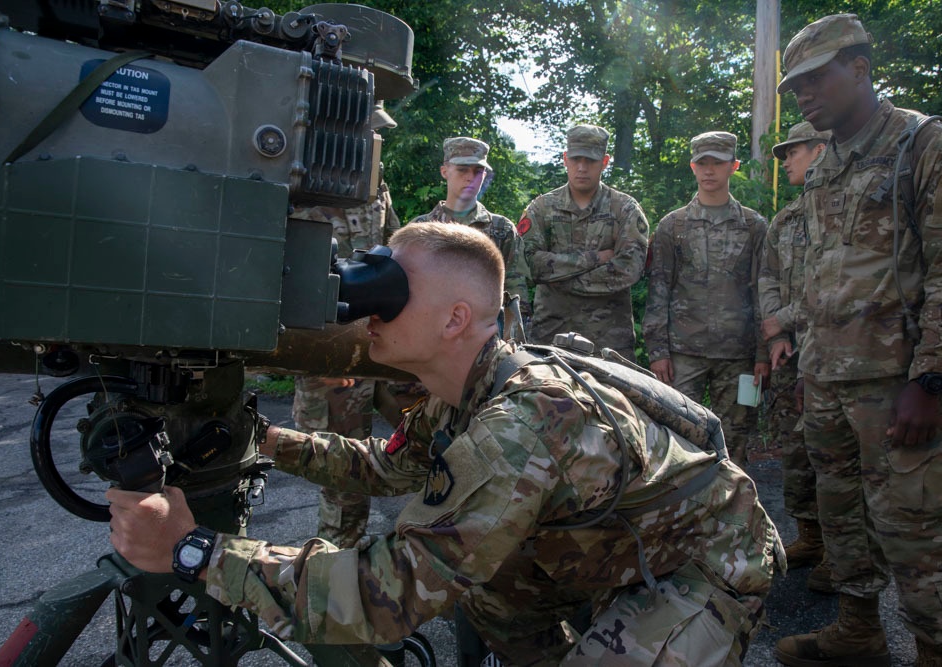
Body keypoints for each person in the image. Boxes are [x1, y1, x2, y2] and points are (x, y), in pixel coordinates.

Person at [108, 222, 781, 666]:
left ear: (455, 318)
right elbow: (386, 465)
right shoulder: (464, 387)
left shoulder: (520, 425)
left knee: (448, 570)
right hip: (610, 541)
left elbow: (385, 594)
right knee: (488, 586)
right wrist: (268, 438)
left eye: (390, 293)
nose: (371, 311)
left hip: (707, 564)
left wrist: (194, 551)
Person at [772, 14, 942, 666]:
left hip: (902, 388)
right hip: (831, 383)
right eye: (795, 87)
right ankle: (859, 630)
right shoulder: (828, 165)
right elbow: (820, 274)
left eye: (816, 79)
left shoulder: (926, 146)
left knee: (921, 535)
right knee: (843, 523)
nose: (805, 95)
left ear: (861, 69)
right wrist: (811, 355)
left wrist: (933, 380)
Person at [289, 103, 419, 547]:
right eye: (367, 132)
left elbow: (392, 253)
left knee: (431, 432)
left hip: (377, 343)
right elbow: (280, 277)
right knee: (341, 471)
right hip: (329, 353)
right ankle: (334, 567)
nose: (372, 142)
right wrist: (320, 353)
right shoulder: (298, 181)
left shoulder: (374, 183)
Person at [643, 131, 770, 469]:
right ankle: (682, 515)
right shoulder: (674, 225)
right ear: (692, 167)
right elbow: (659, 289)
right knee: (676, 438)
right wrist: (658, 351)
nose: (710, 170)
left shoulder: (754, 226)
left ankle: (735, 512)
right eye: (703, 163)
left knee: (737, 439)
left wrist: (762, 352)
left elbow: (763, 290)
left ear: (734, 166)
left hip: (740, 357)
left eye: (718, 163)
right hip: (684, 354)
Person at [757, 121, 833, 592]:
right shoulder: (785, 219)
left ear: (821, 149)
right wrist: (775, 334)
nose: (786, 161)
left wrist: (783, 319)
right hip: (791, 354)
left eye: (794, 152)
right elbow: (767, 277)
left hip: (836, 351)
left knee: (837, 457)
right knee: (797, 452)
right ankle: (811, 536)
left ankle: (848, 557)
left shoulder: (841, 211)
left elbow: (834, 284)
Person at [519, 124, 648, 359]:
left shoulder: (625, 209)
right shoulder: (542, 208)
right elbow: (530, 265)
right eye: (576, 159)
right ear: (565, 159)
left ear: (605, 162)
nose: (582, 168)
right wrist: (594, 259)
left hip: (610, 342)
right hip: (551, 336)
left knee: (612, 398)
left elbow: (629, 268)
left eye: (590, 161)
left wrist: (561, 279)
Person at [411, 136, 530, 320]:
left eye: (478, 171)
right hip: (430, 330)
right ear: (444, 171)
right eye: (462, 170)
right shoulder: (421, 229)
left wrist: (513, 338)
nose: (470, 178)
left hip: (485, 335)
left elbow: (516, 292)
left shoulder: (501, 229)